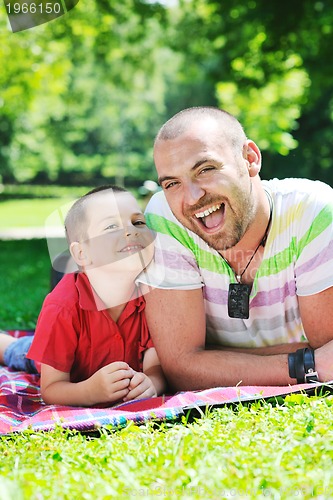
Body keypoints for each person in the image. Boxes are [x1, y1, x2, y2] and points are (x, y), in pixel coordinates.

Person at [139, 106, 333, 391]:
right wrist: (305, 364)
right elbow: (181, 368)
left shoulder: (313, 212)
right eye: (172, 183)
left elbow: (327, 347)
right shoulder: (165, 217)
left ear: (250, 159)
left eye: (205, 169)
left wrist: (212, 361)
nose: (193, 197)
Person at [0, 185, 165, 406]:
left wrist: (151, 382)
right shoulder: (62, 308)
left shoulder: (154, 295)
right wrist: (90, 392)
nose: (130, 230)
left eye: (138, 222)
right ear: (82, 253)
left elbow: (155, 366)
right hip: (66, 364)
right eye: (111, 226)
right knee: (19, 352)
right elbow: (51, 389)